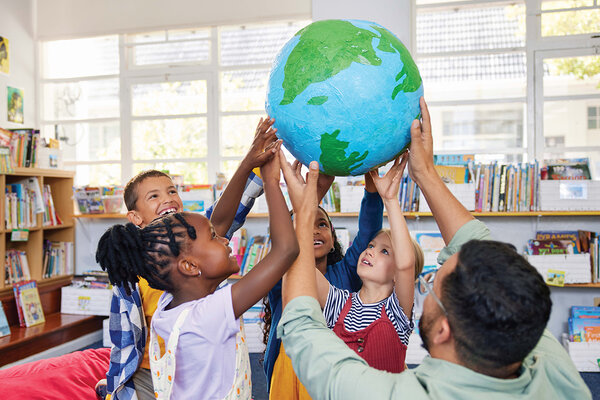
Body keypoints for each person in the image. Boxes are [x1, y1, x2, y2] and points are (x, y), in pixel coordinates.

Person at [276, 97, 592, 400]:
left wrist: (304, 212)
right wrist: (424, 173)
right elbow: (481, 251)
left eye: (433, 282)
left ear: (443, 330)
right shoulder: (554, 370)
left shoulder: (382, 393)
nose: (424, 281)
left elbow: (302, 324)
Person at [96, 146, 317, 400]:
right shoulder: (209, 312)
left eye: (171, 191)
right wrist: (271, 182)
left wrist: (251, 167)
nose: (224, 240)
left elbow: (222, 218)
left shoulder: (168, 306)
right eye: (214, 237)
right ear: (190, 266)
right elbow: (285, 250)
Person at [265, 168, 384, 398]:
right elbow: (289, 247)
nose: (314, 230)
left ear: (332, 240)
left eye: (322, 225)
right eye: (306, 225)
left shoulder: (347, 273)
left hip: (335, 380)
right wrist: (312, 195)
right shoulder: (282, 276)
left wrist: (371, 188)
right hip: (291, 381)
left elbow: (369, 230)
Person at [311, 154, 423, 373]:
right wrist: (306, 201)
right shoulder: (339, 302)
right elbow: (300, 261)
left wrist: (390, 200)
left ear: (396, 274)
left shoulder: (397, 310)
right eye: (370, 246)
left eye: (384, 251)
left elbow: (405, 264)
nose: (370, 251)